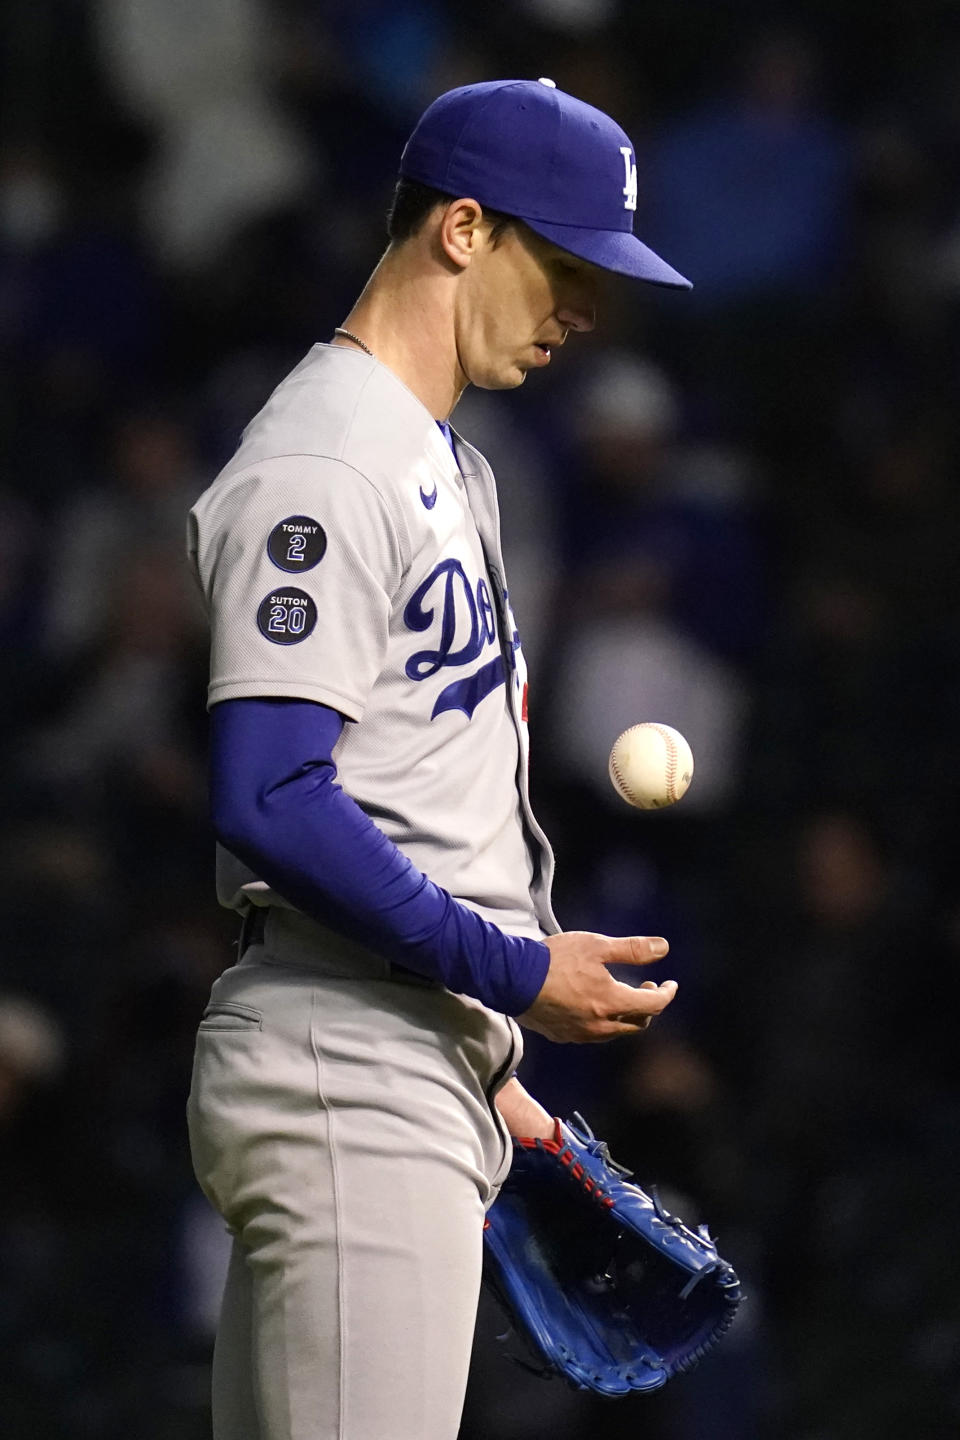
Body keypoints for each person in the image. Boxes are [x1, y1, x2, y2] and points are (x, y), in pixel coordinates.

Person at [186, 77, 690, 1440]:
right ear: (464, 228)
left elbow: (409, 790)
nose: (585, 305)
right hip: (346, 1076)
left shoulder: (441, 463)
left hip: (402, 1060)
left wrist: (488, 1061)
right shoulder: (329, 461)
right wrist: (517, 975)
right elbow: (274, 794)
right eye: (566, 263)